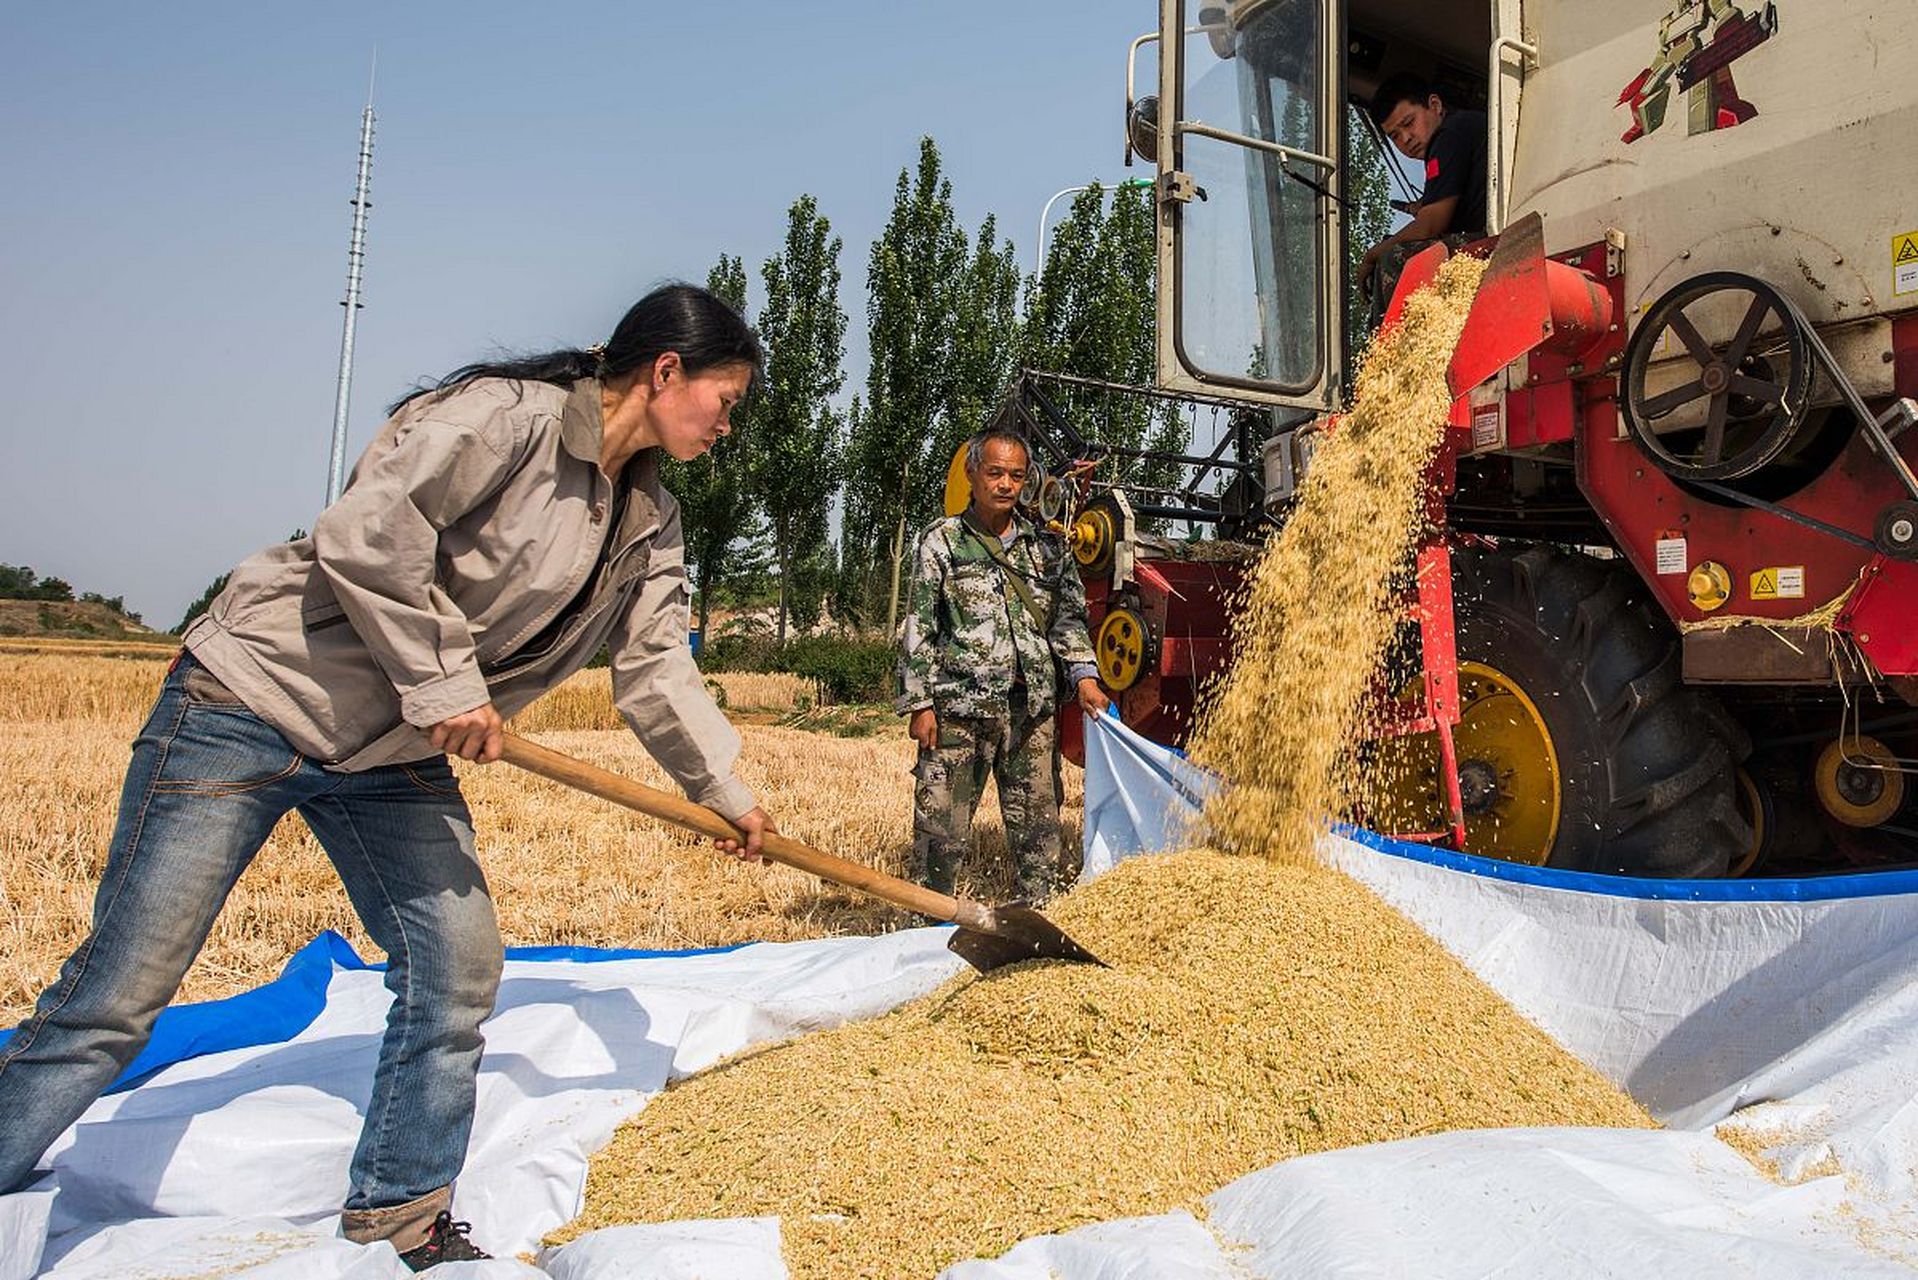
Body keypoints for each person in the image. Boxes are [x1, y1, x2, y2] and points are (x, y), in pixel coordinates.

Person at [0, 284, 777, 1269]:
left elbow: (657, 663)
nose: (727, 420)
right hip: (255, 701)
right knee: (119, 994)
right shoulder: (504, 418)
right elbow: (369, 531)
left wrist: (723, 789)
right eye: (725, 396)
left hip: (390, 756)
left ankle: (403, 1216)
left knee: (457, 964)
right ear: (665, 372)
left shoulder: (649, 521)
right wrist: (445, 681)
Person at [896, 428, 1109, 906]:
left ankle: (1036, 930)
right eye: (994, 473)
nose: (1005, 484)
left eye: (1016, 475)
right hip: (958, 712)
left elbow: (1068, 620)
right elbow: (919, 625)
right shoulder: (941, 542)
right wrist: (919, 703)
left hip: (1030, 712)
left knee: (1040, 832)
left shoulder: (1047, 549)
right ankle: (925, 931)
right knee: (940, 833)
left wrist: (1086, 677)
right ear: (972, 474)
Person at [1357, 73, 1490, 315]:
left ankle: (1389, 348)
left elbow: (1430, 224)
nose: (1406, 139)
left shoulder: (1448, 135)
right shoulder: (1461, 130)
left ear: (1435, 106)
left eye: (1409, 123)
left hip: (1492, 242)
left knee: (1394, 259)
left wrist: (1371, 255)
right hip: (1488, 239)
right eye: (1395, 136)